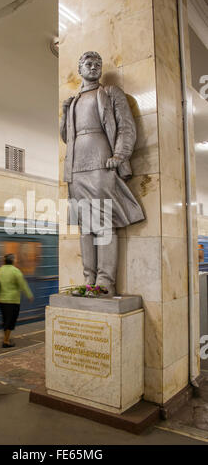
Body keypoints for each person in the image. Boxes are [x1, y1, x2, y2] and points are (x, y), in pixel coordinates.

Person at [60, 51, 145, 296]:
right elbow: (68, 138)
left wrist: (120, 155)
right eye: (89, 63)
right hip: (76, 169)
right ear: (80, 69)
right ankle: (89, 281)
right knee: (85, 226)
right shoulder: (74, 100)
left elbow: (126, 126)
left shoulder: (109, 93)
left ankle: (105, 282)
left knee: (104, 223)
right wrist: (65, 114)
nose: (94, 67)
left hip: (101, 163)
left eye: (98, 64)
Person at [0, 254, 34, 349]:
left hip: (0, 299)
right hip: (12, 300)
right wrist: (29, 295)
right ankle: (6, 341)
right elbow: (23, 284)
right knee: (10, 320)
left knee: (5, 319)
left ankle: (6, 337)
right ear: (13, 261)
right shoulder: (15, 271)